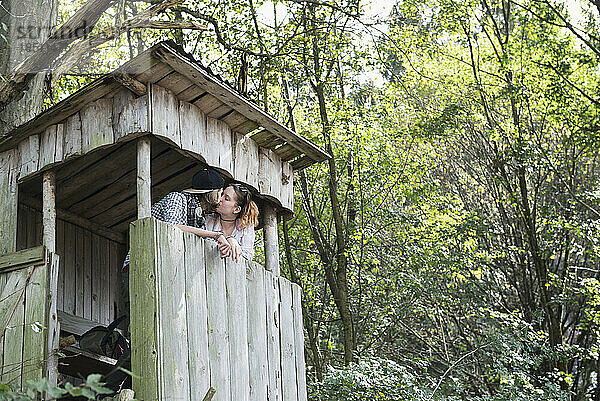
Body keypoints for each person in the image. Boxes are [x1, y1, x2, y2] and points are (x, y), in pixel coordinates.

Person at [205, 183, 259, 262]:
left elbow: (248, 256)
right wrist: (228, 240)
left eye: (226, 198)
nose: (220, 199)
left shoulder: (245, 227)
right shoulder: (209, 219)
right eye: (222, 194)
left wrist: (231, 241)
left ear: (236, 209)